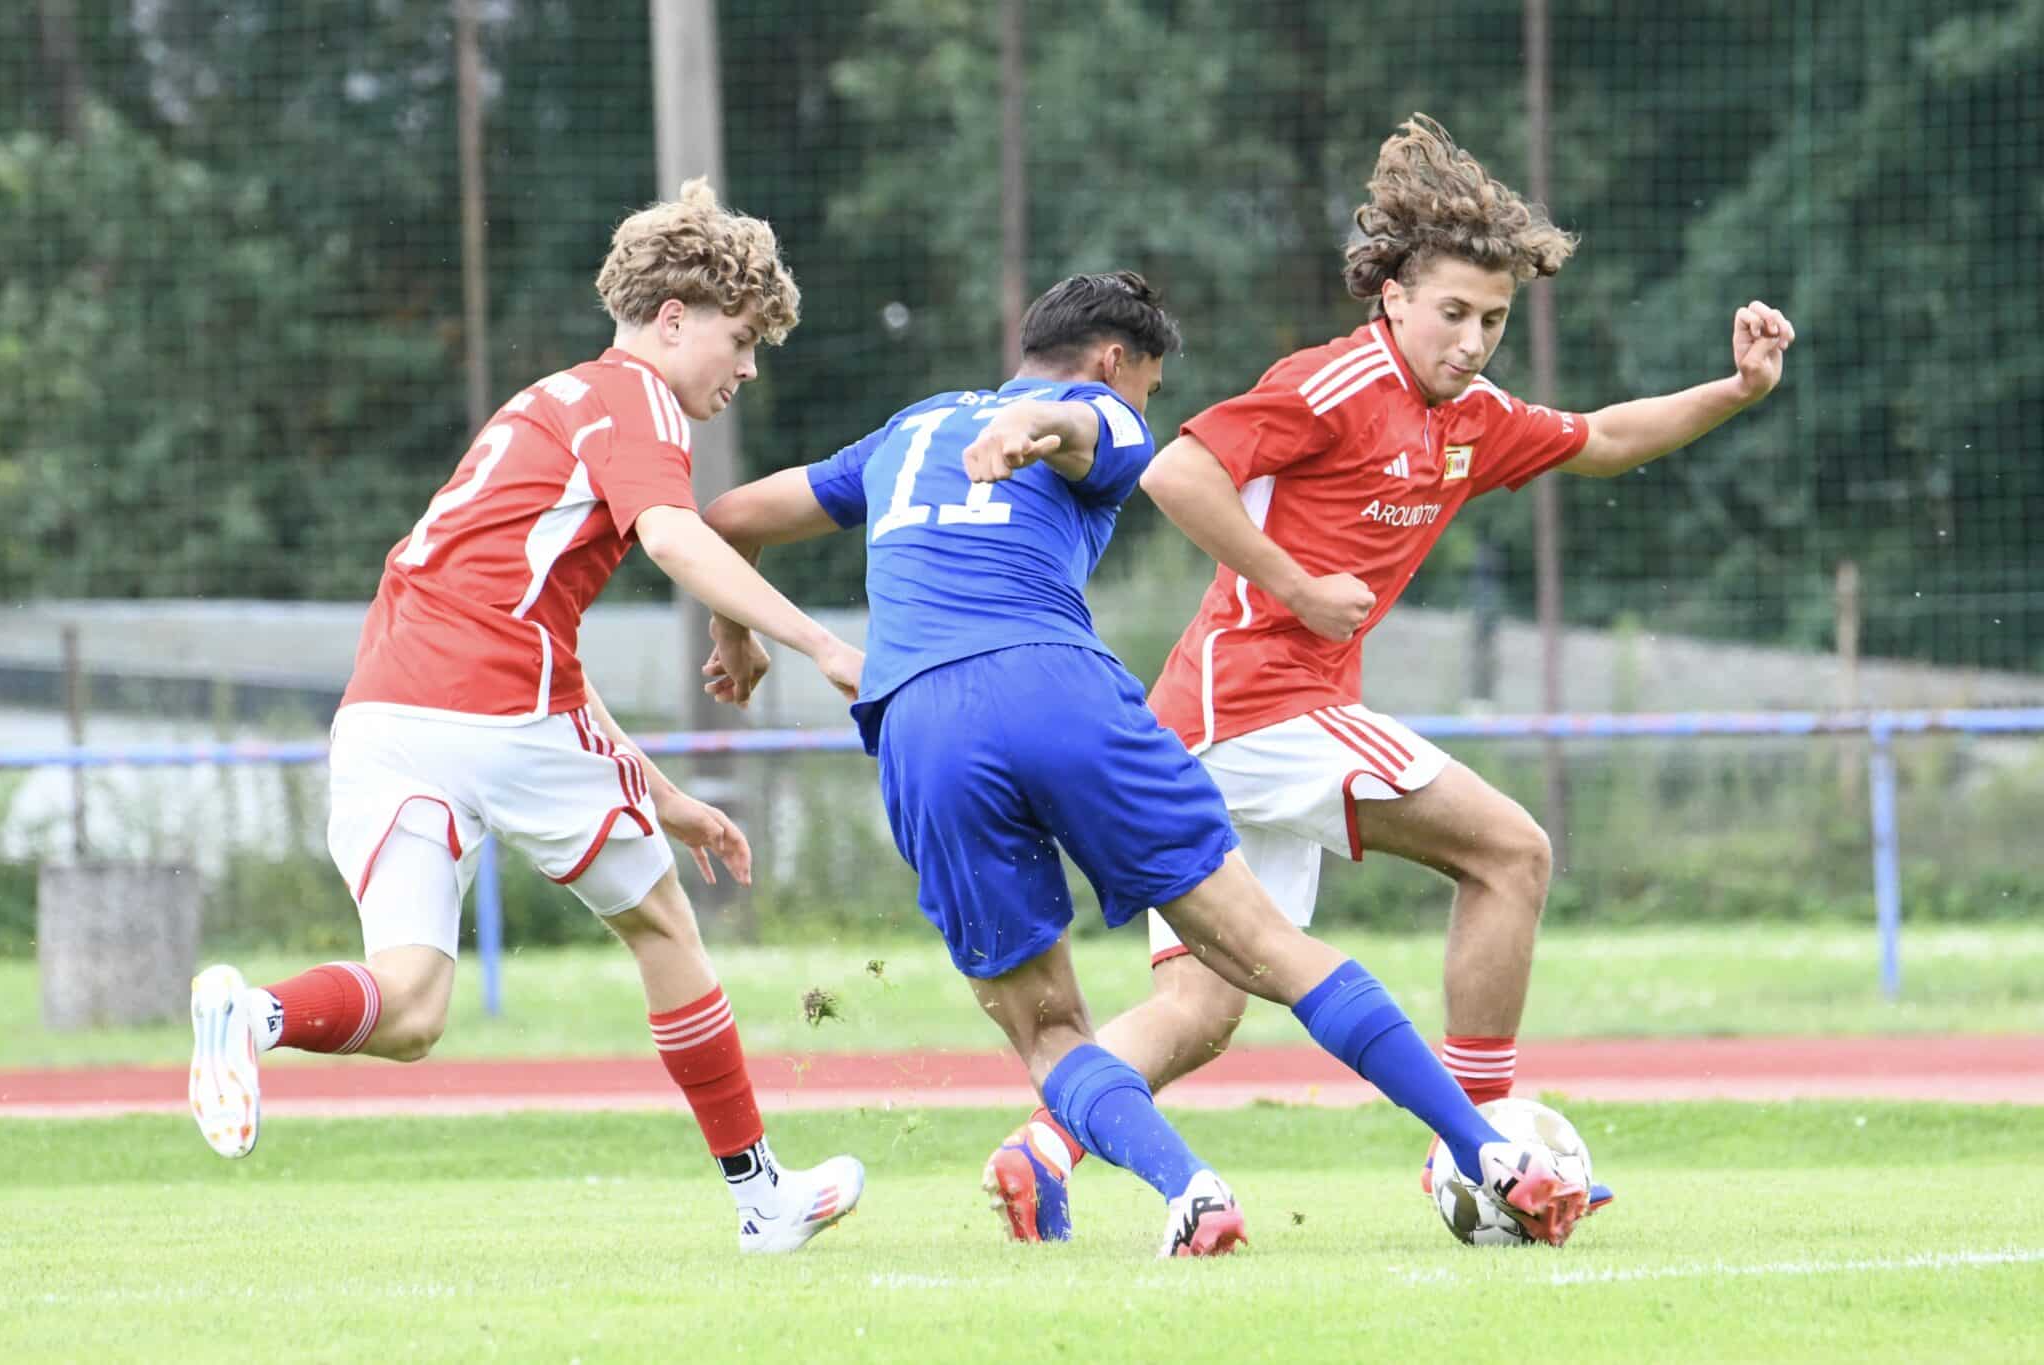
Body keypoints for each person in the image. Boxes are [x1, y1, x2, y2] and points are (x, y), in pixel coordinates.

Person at [969, 116, 1796, 1240]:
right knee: (1508, 850)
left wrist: (1733, 392)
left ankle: (1042, 1148)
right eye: (1451, 313)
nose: (1471, 340)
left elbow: (1599, 436)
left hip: (1202, 730)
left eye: (1493, 321)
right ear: (1392, 295)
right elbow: (1177, 470)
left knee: (1202, 1009)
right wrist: (1296, 587)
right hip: (1257, 705)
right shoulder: (1334, 382)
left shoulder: (1471, 418)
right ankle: (1486, 1139)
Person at [700, 271, 1588, 1257]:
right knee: (1271, 951)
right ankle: (1492, 1153)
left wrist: (734, 635)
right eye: (1148, 388)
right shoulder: (1104, 414)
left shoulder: (904, 433)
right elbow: (1083, 433)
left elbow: (725, 519)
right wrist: (1039, 423)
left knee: (1047, 1031)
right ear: (1117, 362)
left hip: (921, 724)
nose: (1144, 411)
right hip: (1059, 694)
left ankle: (1189, 1190)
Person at [186, 180, 867, 1255]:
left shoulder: (545, 404)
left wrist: (671, 799)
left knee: (408, 1011)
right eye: (739, 341)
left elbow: (542, 647)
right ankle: (761, 1199)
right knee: (662, 927)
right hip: (495, 708)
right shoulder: (636, 401)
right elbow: (674, 541)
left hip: (384, 714)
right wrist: (820, 642)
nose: (744, 369)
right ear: (674, 318)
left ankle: (253, 1017)